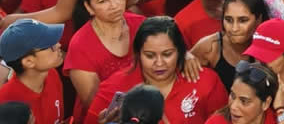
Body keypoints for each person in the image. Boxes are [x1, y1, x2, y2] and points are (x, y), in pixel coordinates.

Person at [86, 17, 227, 124]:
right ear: (138, 54)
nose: (159, 63)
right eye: (150, 55)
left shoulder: (206, 81)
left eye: (167, 54)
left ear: (180, 52)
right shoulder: (113, 87)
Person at [64, 0, 145, 116]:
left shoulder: (141, 25)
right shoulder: (80, 46)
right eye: (103, 1)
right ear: (89, 7)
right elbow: (95, 107)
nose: (114, 5)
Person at [189, 0, 270, 91]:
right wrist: (186, 56)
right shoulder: (210, 47)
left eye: (243, 20)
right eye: (228, 20)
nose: (234, 28)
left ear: (258, 20)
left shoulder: (269, 46)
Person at [0, 18, 66, 124]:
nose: (58, 45)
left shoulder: (51, 74)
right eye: (50, 45)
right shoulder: (4, 106)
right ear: (29, 61)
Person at [205, 59, 279, 124]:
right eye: (233, 96)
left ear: (266, 103)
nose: (233, 107)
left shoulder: (280, 120)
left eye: (244, 101)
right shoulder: (216, 122)